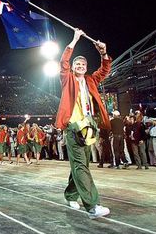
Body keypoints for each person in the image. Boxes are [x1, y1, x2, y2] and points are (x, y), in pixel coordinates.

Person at [54, 28, 111, 219]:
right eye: (77, 63)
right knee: (81, 166)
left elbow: (105, 69)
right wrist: (75, 39)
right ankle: (92, 206)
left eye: (82, 63)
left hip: (88, 128)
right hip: (72, 128)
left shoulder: (91, 80)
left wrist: (102, 52)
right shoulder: (67, 78)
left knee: (81, 165)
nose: (79, 65)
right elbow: (63, 63)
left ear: (86, 67)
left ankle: (70, 194)